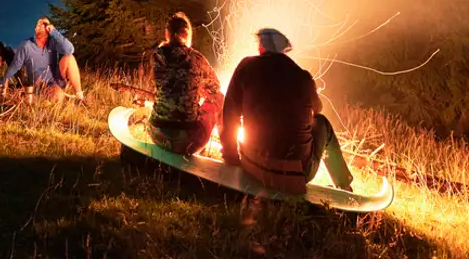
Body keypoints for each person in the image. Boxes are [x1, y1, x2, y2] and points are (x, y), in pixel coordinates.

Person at [221, 28, 354, 192]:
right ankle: (344, 185)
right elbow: (317, 109)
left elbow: (229, 113)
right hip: (295, 175)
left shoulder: (246, 66)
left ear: (262, 47)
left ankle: (343, 183)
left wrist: (230, 156)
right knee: (322, 123)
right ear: (284, 50)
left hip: (251, 164)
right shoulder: (302, 76)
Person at [149, 12, 223, 154]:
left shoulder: (156, 56)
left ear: (167, 34)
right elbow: (216, 86)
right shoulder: (196, 58)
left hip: (157, 135)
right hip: (189, 142)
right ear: (186, 34)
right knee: (219, 97)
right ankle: (229, 151)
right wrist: (198, 88)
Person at [2, 16, 84, 102]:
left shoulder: (53, 42)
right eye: (38, 24)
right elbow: (15, 65)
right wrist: (3, 82)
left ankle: (80, 96)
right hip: (40, 85)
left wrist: (55, 32)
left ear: (49, 28)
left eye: (44, 24)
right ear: (35, 28)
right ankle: (61, 96)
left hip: (57, 80)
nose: (41, 25)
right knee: (57, 96)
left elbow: (70, 50)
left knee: (69, 58)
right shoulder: (26, 45)